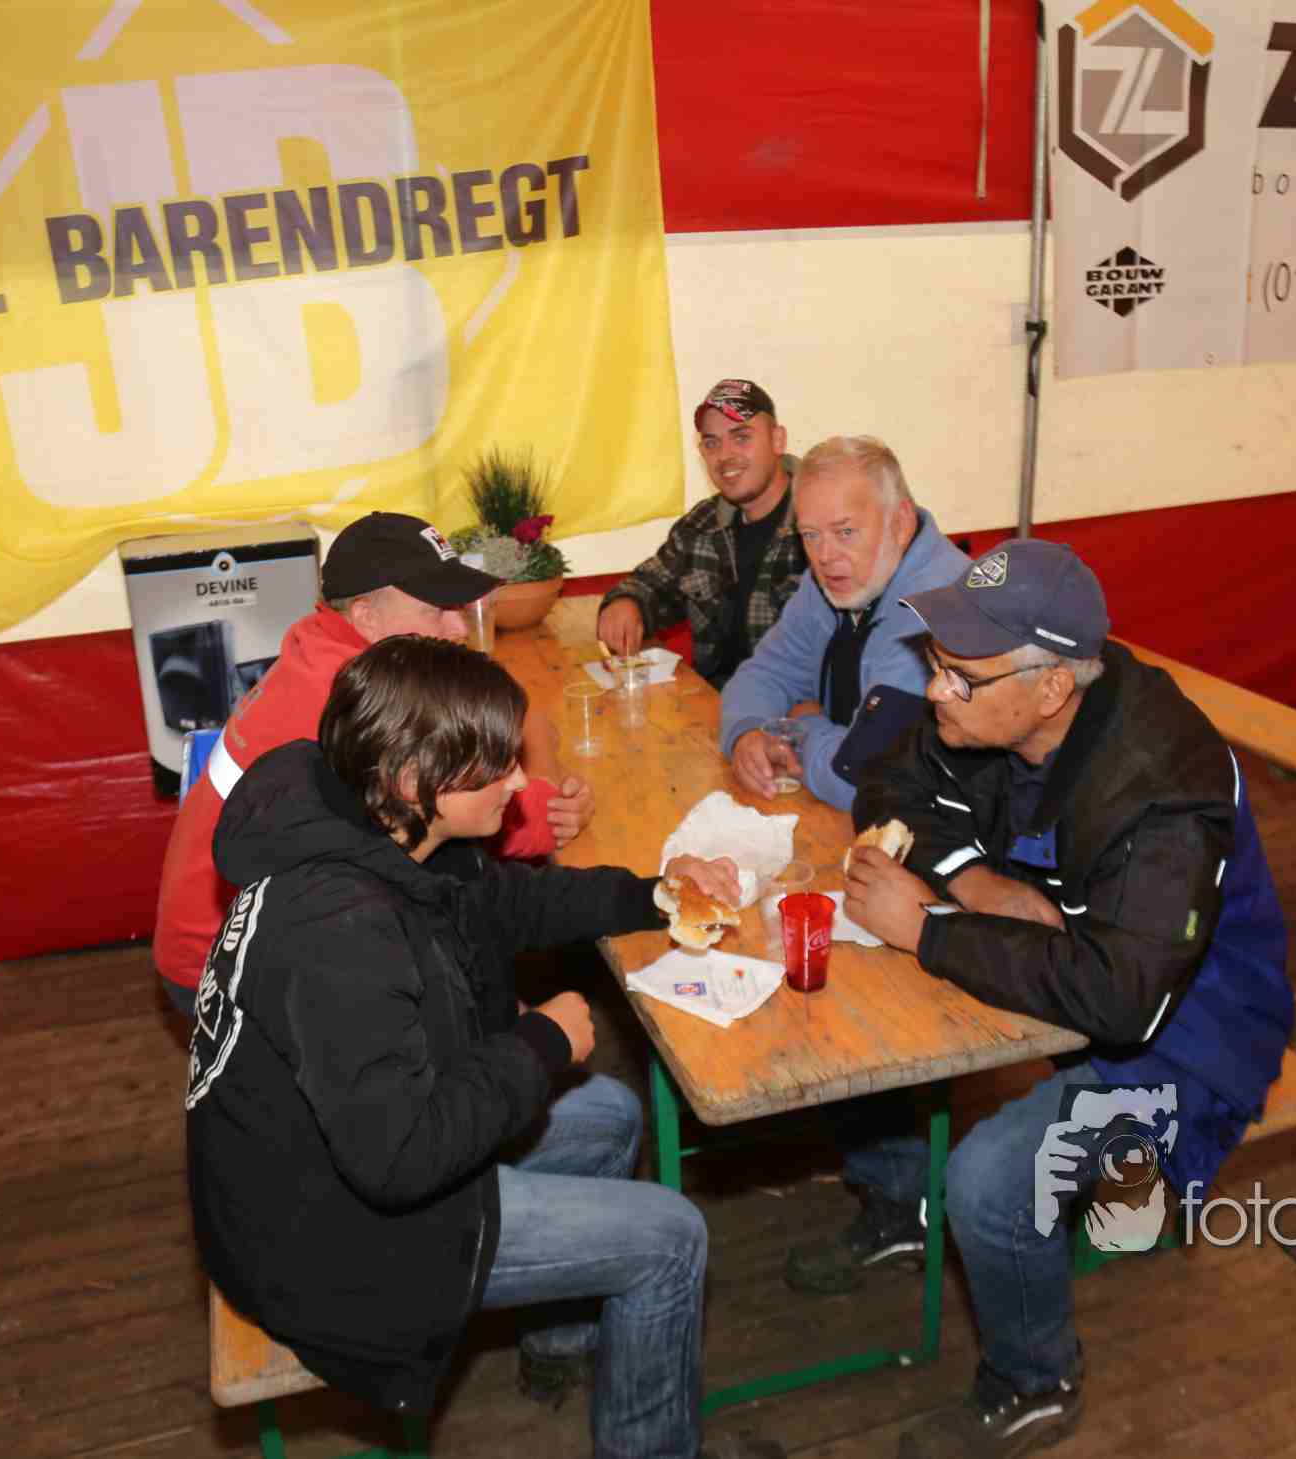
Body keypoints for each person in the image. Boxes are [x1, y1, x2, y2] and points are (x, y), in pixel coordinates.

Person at [185, 636, 783, 1459]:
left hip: (334, 1167)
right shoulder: (339, 928)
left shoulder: (379, 828)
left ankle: (559, 1344)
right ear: (413, 780)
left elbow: (514, 904)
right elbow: (399, 1158)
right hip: (324, 1244)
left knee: (609, 1115)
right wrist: (540, 1043)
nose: (518, 782)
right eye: (496, 766)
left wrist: (658, 896)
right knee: (672, 1239)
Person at [795, 540, 1294, 1458]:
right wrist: (974, 882)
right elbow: (887, 778)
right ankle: (900, 1206)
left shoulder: (1165, 785)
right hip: (1077, 971)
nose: (935, 689)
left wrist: (931, 930)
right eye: (935, 663)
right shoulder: (989, 709)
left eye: (959, 676)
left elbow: (1123, 999)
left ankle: (1034, 1380)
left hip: (1189, 1032)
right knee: (850, 1010)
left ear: (1052, 687)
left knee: (991, 1179)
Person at [151, 511, 596, 1016]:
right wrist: (547, 794)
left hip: (248, 926)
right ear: (365, 616)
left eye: (458, 605)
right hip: (230, 968)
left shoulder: (324, 647)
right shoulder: (365, 706)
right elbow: (518, 826)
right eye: (436, 610)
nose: (458, 626)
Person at [718, 436, 972, 811]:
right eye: (810, 535)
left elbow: (868, 779)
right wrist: (747, 731)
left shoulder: (938, 609)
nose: (824, 556)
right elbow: (766, 671)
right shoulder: (837, 581)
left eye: (845, 532)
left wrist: (802, 729)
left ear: (901, 523)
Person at [595, 379, 808, 688]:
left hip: (794, 707)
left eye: (741, 437)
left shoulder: (821, 519)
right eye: (711, 443)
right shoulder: (703, 523)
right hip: (712, 703)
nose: (724, 455)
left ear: (778, 440)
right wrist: (627, 602)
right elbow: (652, 583)